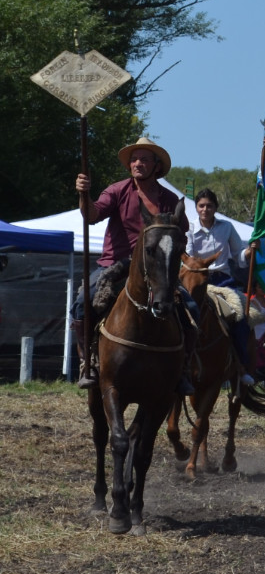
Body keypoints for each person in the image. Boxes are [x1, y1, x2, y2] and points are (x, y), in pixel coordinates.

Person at [73, 136, 195, 395]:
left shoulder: (170, 200)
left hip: (158, 270)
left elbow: (180, 235)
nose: (138, 163)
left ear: (156, 166)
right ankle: (88, 363)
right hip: (115, 265)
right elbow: (91, 215)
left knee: (192, 308)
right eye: (134, 159)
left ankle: (183, 368)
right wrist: (84, 194)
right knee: (83, 301)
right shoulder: (117, 191)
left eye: (144, 159)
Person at [187, 189, 256, 386]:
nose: (205, 209)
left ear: (216, 207)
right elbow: (190, 258)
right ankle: (180, 366)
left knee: (240, 317)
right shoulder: (189, 229)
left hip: (223, 281)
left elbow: (238, 255)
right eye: (201, 206)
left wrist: (250, 252)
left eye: (209, 205)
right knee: (180, 316)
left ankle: (240, 366)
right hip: (196, 280)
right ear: (196, 208)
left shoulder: (227, 227)